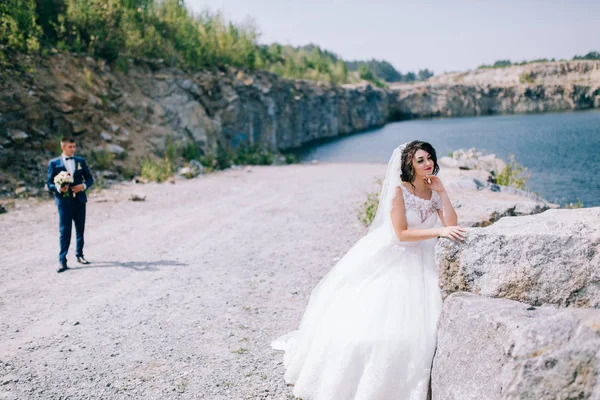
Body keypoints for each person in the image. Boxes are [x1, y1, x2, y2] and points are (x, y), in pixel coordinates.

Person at [272, 140, 466, 399]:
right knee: (382, 320)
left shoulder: (432, 190)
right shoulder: (400, 191)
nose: (427, 163)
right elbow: (401, 233)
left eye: (429, 157)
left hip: (424, 257)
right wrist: (440, 231)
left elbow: (452, 223)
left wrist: (442, 193)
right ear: (409, 164)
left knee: (426, 322)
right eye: (420, 160)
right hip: (398, 256)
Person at [46, 137, 94, 273]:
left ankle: (80, 255)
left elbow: (90, 178)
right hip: (64, 202)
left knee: (80, 229)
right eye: (70, 147)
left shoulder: (80, 161)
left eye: (74, 147)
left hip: (79, 200)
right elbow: (48, 183)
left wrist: (83, 186)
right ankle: (62, 260)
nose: (73, 149)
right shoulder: (54, 163)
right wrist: (58, 188)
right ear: (63, 147)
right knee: (65, 230)